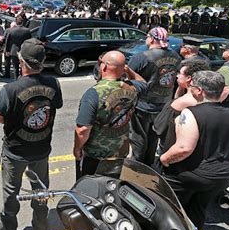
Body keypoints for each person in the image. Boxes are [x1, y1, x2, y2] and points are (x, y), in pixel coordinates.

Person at [160, 71, 229, 229]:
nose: (190, 89)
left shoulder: (191, 113)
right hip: (221, 176)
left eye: (192, 86)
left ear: (199, 91)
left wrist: (164, 159)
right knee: (198, 209)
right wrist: (226, 159)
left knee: (170, 210)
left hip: (189, 176)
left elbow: (183, 148)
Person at [0, 38, 63, 230]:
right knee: (40, 191)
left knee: (11, 192)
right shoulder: (53, 83)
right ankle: (40, 229)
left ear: (21, 61)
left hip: (16, 150)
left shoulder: (10, 89)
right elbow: (55, 106)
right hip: (41, 149)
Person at [74, 51, 147, 178]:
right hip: (120, 153)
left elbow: (83, 130)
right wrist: (126, 69)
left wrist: (77, 149)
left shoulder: (93, 94)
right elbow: (143, 83)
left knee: (88, 190)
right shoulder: (132, 89)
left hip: (96, 157)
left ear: (104, 67)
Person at [128, 27, 181, 165]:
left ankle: (137, 169)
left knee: (138, 139)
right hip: (163, 105)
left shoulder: (142, 57)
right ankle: (149, 167)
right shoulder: (175, 56)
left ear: (151, 38)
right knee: (154, 140)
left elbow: (127, 78)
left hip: (143, 105)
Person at [154, 59, 211, 165]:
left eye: (180, 73)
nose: (177, 76)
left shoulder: (181, 103)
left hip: (172, 148)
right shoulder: (203, 97)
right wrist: (181, 86)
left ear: (189, 78)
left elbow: (159, 127)